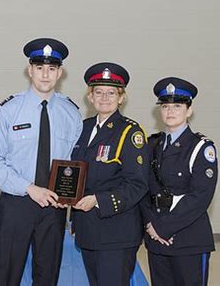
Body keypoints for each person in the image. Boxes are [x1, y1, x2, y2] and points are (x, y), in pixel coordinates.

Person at [0, 38, 83, 286]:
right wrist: (29, 188)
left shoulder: (71, 113)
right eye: (39, 68)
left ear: (60, 72)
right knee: (4, 275)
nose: (45, 74)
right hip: (17, 204)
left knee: (47, 276)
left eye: (51, 68)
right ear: (30, 70)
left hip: (55, 208)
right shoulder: (9, 109)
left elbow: (76, 163)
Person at [70, 62, 149, 286]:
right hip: (88, 229)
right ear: (90, 97)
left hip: (117, 231)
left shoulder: (130, 132)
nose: (104, 98)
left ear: (121, 97)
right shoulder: (82, 129)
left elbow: (137, 184)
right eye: (99, 92)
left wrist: (98, 200)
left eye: (111, 93)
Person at [140, 77, 218, 286]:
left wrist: (163, 228)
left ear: (189, 110)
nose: (170, 111)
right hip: (156, 240)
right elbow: (144, 189)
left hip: (188, 240)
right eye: (165, 106)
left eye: (177, 106)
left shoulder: (201, 148)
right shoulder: (152, 145)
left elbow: (201, 196)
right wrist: (150, 226)